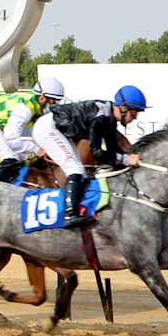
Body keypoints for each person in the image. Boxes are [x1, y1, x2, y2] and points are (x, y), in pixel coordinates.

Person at [32, 84, 147, 228]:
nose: (134, 118)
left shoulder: (109, 119)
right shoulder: (101, 118)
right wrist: (126, 159)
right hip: (48, 129)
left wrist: (128, 158)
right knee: (74, 169)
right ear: (123, 108)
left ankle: (78, 207)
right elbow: (96, 152)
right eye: (134, 113)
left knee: (80, 171)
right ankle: (69, 214)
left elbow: (113, 150)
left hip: (57, 129)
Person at [0, 77, 65, 182]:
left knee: (22, 159)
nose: (54, 106)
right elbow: (12, 139)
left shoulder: (35, 105)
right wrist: (37, 150)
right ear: (42, 98)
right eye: (53, 102)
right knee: (10, 157)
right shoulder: (24, 109)